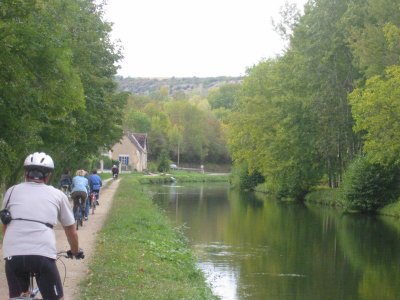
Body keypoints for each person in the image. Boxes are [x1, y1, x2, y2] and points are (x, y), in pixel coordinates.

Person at [1, 152, 84, 300]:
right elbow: (71, 231)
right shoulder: (58, 195)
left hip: (13, 254)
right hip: (42, 254)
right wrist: (75, 251)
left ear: (26, 173)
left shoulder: (11, 191)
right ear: (48, 175)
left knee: (18, 298)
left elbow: (5, 226)